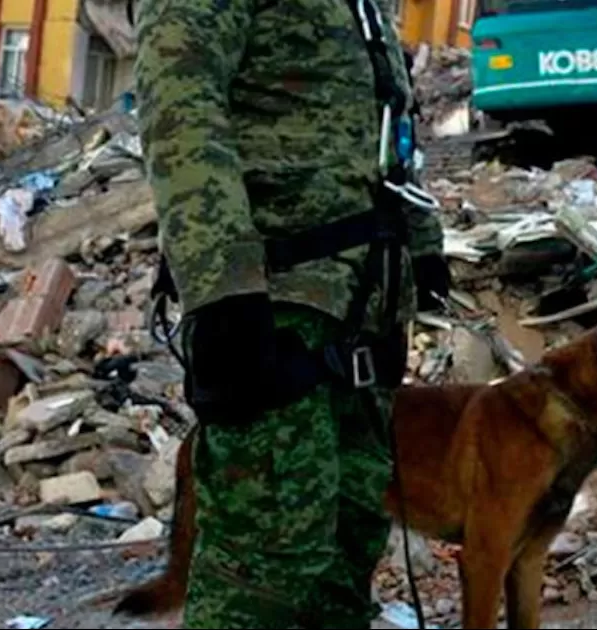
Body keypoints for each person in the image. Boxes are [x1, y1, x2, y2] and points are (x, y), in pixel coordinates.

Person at [133, 0, 449, 626]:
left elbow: (386, 131)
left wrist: (422, 246)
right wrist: (224, 291)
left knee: (347, 543)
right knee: (266, 559)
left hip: (362, 308)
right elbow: (181, 99)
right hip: (277, 309)